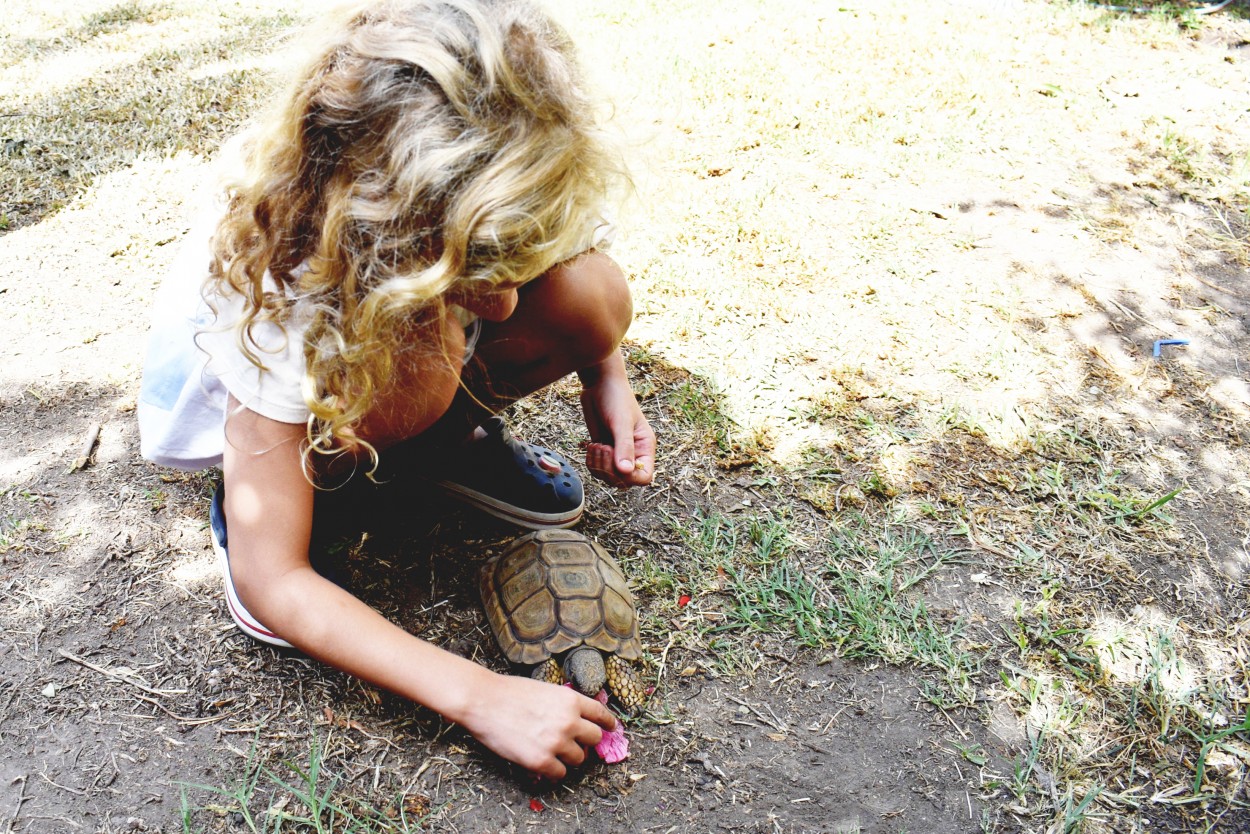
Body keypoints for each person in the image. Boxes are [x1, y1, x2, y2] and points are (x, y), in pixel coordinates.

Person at [136, 0, 655, 781]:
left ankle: (443, 446)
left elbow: (560, 270)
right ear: (389, 228)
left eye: (506, 261)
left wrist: (605, 376)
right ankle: (298, 487)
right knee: (321, 486)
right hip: (312, 368)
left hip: (389, 303)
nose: (507, 306)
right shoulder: (290, 289)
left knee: (591, 294)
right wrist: (480, 695)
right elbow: (273, 584)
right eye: (480, 271)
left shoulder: (515, 151)